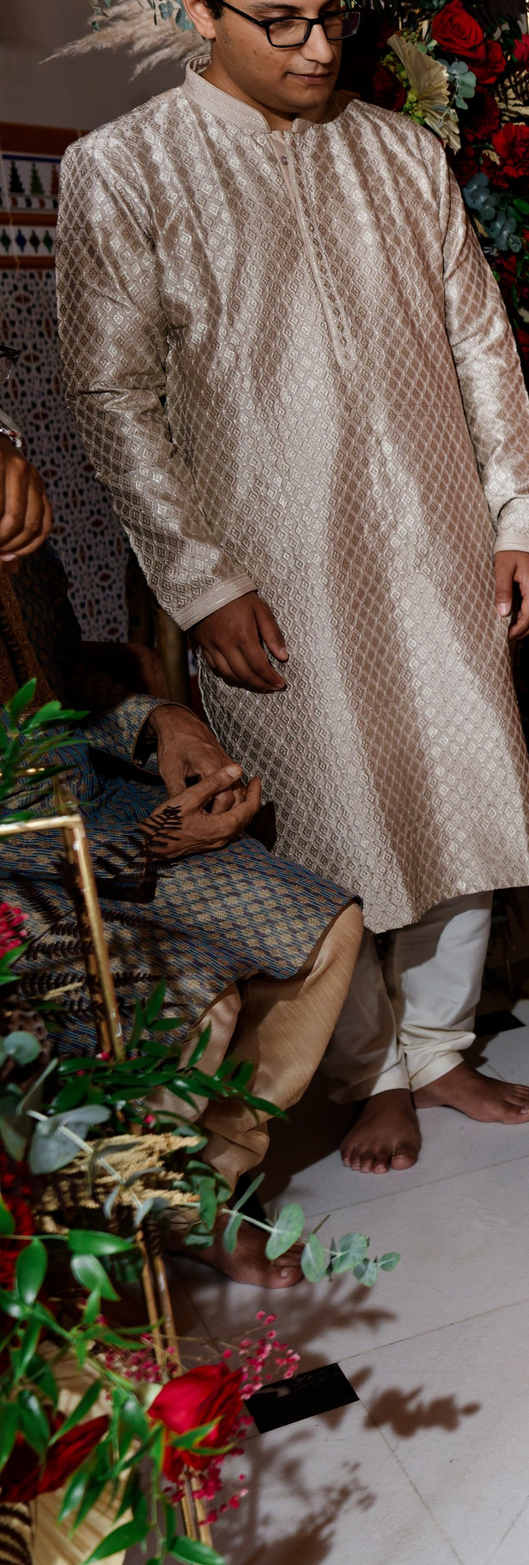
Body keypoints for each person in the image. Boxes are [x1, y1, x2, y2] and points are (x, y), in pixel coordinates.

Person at [54, 0, 529, 1176]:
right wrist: (201, 580)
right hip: (271, 564)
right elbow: (110, 399)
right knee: (327, 816)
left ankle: (439, 1046)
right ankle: (367, 1071)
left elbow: (480, 345)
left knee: (459, 791)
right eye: (279, 21)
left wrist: (518, 515)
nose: (319, 47)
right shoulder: (125, 171)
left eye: (332, 15)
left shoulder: (400, 152)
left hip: (435, 532)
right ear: (195, 5)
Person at [0, 425, 360, 1288]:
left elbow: (63, 675)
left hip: (100, 812)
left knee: (326, 931)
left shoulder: (11, 496)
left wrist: (159, 720)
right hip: (24, 872)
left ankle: (206, 1190)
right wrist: (155, 841)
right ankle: (140, 1217)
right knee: (198, 999)